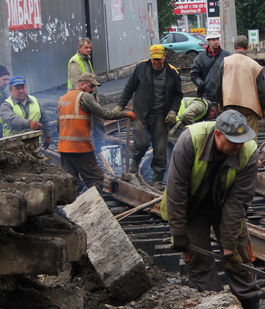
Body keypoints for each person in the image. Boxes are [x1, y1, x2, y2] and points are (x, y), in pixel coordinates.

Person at [163, 110, 262, 309]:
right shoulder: (190, 140)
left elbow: (238, 203)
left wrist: (228, 246)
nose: (240, 145)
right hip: (192, 206)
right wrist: (179, 231)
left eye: (242, 140)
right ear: (218, 134)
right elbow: (176, 189)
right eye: (234, 141)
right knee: (198, 259)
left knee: (239, 257)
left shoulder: (249, 152)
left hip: (225, 205)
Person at [116, 45, 183, 187]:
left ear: (164, 56)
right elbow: (129, 87)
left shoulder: (172, 73)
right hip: (141, 113)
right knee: (142, 142)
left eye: (158, 60)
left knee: (160, 149)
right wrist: (120, 106)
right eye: (153, 60)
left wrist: (173, 111)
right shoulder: (141, 68)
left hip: (160, 115)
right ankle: (135, 160)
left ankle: (157, 179)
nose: (156, 63)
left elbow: (178, 95)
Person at [58, 73, 134, 192]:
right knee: (95, 180)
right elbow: (104, 114)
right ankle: (95, 206)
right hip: (81, 148)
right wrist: (126, 114)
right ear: (81, 84)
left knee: (71, 183)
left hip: (64, 148)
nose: (93, 90)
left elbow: (60, 125)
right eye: (91, 86)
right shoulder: (85, 97)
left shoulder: (63, 99)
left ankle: (74, 207)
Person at [206, 37, 265, 133]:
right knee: (250, 137)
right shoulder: (254, 65)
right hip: (250, 107)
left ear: (234, 47)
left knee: (232, 136)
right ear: (247, 47)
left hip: (230, 104)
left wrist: (220, 105)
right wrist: (263, 108)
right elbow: (262, 91)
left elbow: (218, 86)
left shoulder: (225, 62)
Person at [0, 76, 51, 149]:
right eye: (17, 88)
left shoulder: (34, 100)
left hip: (34, 144)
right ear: (10, 90)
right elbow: (11, 119)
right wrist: (29, 123)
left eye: (23, 87)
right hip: (13, 146)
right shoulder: (6, 105)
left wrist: (47, 136)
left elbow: (44, 119)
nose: (21, 91)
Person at [190, 33, 231, 107]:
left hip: (224, 96)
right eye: (213, 39)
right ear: (208, 41)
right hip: (206, 96)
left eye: (217, 39)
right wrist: (203, 85)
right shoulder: (200, 58)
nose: (216, 41)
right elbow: (194, 75)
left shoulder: (227, 56)